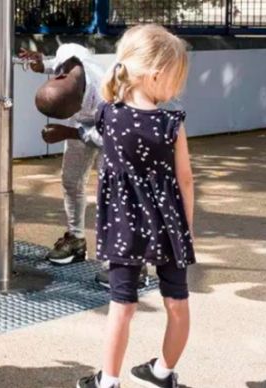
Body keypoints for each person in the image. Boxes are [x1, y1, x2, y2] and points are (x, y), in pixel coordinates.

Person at [75, 24, 194, 388]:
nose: (176, 89)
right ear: (157, 75)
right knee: (176, 303)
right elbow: (185, 180)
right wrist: (185, 230)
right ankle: (162, 373)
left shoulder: (109, 116)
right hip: (169, 226)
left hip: (124, 226)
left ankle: (108, 382)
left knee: (121, 306)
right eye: (176, 79)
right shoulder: (171, 124)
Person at [20, 44, 149, 288]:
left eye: (74, 109)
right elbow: (56, 63)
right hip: (82, 128)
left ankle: (130, 262)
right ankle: (76, 241)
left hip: (114, 133)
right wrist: (41, 65)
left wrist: (70, 131)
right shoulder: (68, 56)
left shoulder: (110, 92)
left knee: (116, 194)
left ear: (81, 100)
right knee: (71, 181)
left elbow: (111, 136)